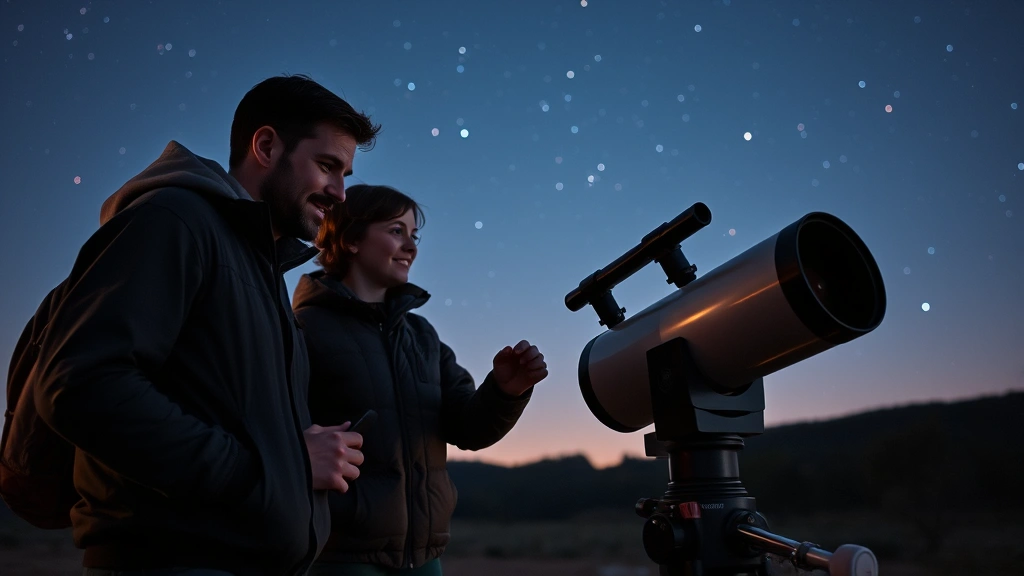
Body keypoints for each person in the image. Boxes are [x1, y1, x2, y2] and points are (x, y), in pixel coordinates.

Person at [32, 74, 379, 576]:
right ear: (265, 145)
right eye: (327, 166)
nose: (340, 193)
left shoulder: (260, 269)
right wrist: (277, 467)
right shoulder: (174, 219)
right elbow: (83, 385)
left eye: (345, 173)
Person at [292, 184, 548, 576]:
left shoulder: (424, 337)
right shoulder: (303, 329)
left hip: (425, 559)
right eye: (396, 231)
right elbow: (275, 429)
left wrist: (505, 391)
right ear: (351, 239)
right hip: (339, 557)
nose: (411, 246)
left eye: (415, 235)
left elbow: (467, 427)